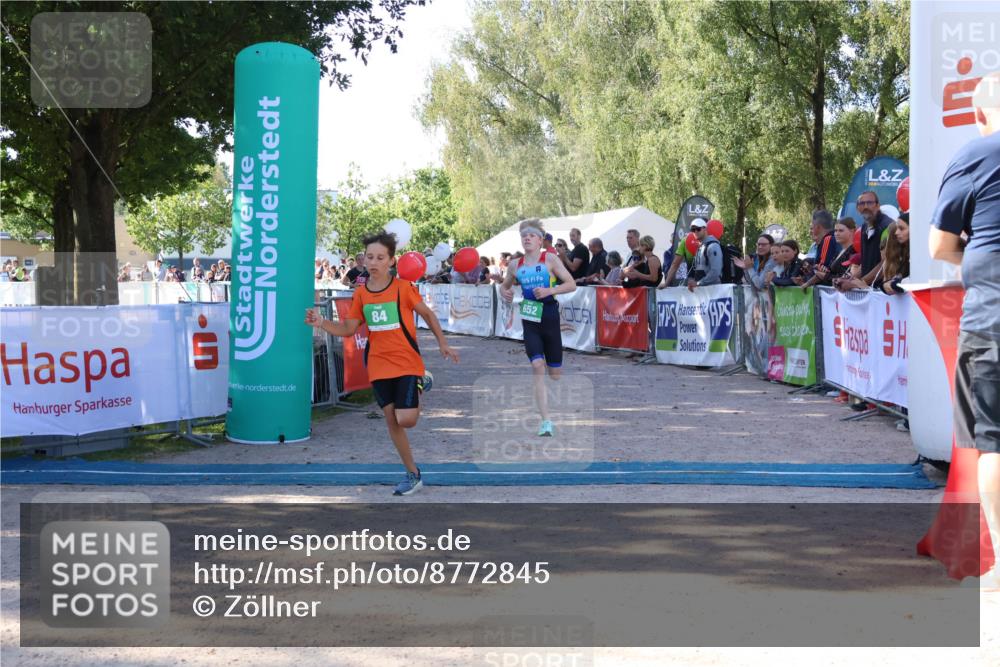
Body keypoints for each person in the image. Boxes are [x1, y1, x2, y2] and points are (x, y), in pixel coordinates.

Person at [305, 231, 460, 496]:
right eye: (369, 257)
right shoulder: (361, 295)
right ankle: (413, 474)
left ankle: (421, 381)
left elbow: (428, 314)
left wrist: (443, 343)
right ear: (363, 260)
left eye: (380, 257)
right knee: (392, 421)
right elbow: (347, 329)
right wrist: (322, 323)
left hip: (407, 362)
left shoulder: (403, 289)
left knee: (407, 419)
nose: (373, 262)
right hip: (378, 364)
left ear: (391, 261)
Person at [929, 71, 1000, 587]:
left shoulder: (974, 155)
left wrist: (970, 253)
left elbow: (939, 246)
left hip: (992, 320)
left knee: (994, 443)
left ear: (979, 115)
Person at [499, 218, 577, 437]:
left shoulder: (549, 259)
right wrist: (503, 292)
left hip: (550, 318)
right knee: (537, 367)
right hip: (530, 320)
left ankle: (549, 402)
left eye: (531, 235)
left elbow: (571, 283)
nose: (527, 238)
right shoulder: (515, 265)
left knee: (555, 374)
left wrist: (550, 291)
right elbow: (504, 288)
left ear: (540, 240)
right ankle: (546, 421)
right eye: (524, 236)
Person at [855, 190, 893, 283]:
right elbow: (865, 263)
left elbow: (886, 262)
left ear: (878, 205)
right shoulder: (864, 226)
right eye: (862, 203)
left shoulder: (887, 226)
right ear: (858, 208)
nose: (866, 206)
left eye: (869, 203)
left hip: (882, 291)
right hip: (868, 290)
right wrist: (850, 279)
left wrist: (861, 282)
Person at [687, 219, 723, 290]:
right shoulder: (700, 247)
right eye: (693, 230)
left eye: (698, 229)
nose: (695, 232)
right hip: (703, 292)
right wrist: (692, 280)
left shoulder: (713, 246)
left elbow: (715, 271)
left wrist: (699, 283)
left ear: (705, 229)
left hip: (714, 291)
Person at [877, 217, 909, 295]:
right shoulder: (904, 257)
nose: (896, 233)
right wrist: (885, 285)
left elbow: (916, 281)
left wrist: (892, 284)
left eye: (901, 228)